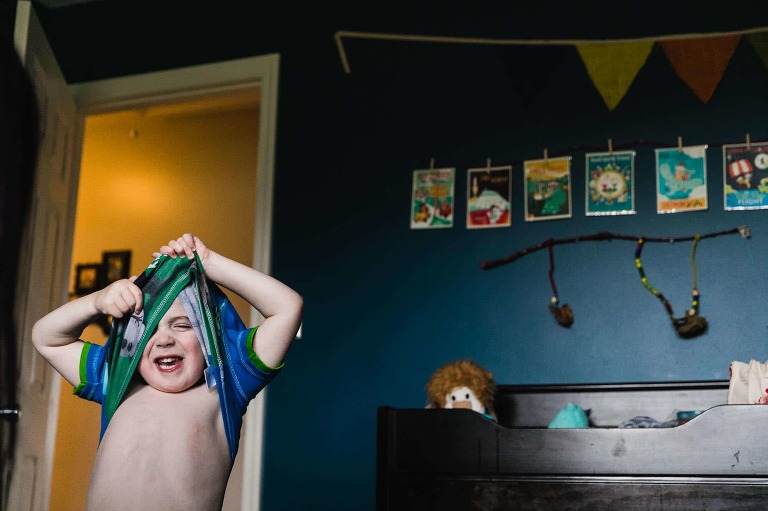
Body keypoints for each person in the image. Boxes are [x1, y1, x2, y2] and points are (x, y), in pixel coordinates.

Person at [31, 233, 303, 510]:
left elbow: (287, 308)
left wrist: (210, 263)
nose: (163, 340)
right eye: (147, 331)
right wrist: (97, 302)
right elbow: (46, 337)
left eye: (183, 326)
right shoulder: (115, 377)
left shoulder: (227, 383)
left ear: (207, 338)